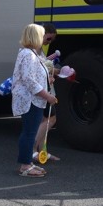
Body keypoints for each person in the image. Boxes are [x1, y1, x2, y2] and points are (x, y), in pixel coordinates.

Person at [12, 23, 57, 177]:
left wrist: (47, 80)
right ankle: (25, 166)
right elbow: (29, 80)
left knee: (30, 131)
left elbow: (33, 77)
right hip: (30, 99)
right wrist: (48, 95)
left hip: (33, 99)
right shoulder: (28, 54)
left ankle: (28, 163)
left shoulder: (31, 53)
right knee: (29, 133)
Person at [33, 22, 61, 162]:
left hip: (43, 88)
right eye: (48, 39)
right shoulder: (33, 49)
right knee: (49, 119)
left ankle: (41, 151)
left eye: (51, 40)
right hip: (41, 90)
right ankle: (34, 151)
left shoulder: (37, 48)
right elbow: (38, 68)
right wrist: (54, 71)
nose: (48, 42)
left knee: (45, 119)